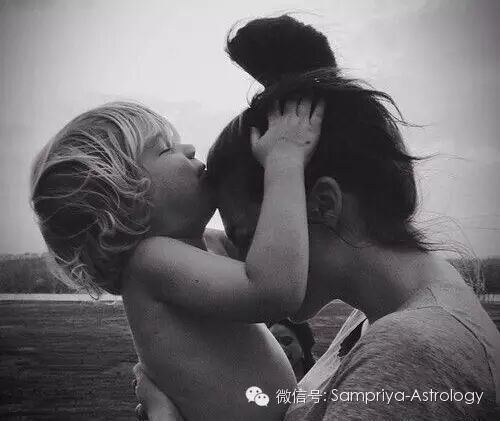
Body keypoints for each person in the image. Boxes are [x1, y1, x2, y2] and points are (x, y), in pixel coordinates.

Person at [133, 15, 500, 420]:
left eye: (250, 235)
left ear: (324, 204)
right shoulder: (370, 321)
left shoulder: (408, 352)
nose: (243, 262)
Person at [30, 99, 326, 421]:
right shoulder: (150, 261)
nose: (189, 149)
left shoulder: (206, 244)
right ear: (125, 198)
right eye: (165, 150)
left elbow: (286, 257)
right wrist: (284, 162)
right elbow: (276, 291)